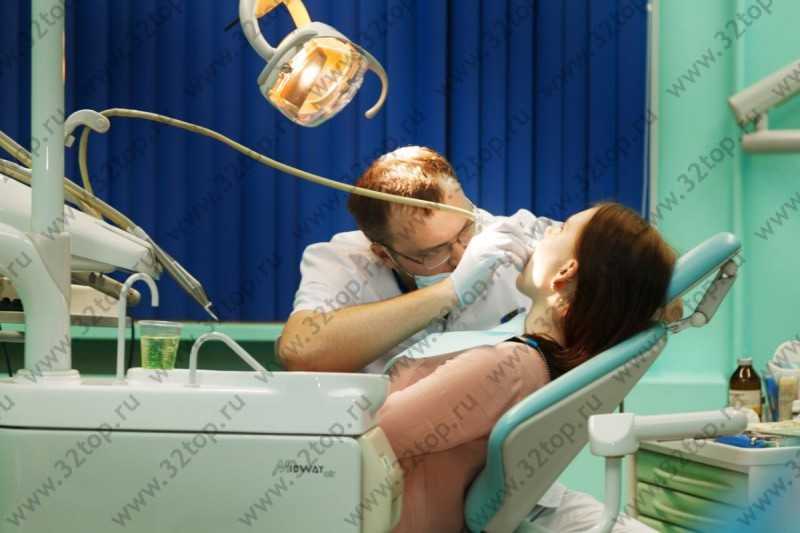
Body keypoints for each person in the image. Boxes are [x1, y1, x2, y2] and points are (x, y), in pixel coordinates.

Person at [377, 202, 676, 533]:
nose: (546, 232)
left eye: (561, 229)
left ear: (565, 273)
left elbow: (367, 434)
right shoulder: (537, 364)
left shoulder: (510, 366)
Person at [280, 146, 555, 374]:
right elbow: (300, 353)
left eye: (465, 230)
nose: (462, 257)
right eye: (434, 252)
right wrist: (451, 291)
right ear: (384, 255)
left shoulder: (513, 237)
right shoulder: (344, 261)